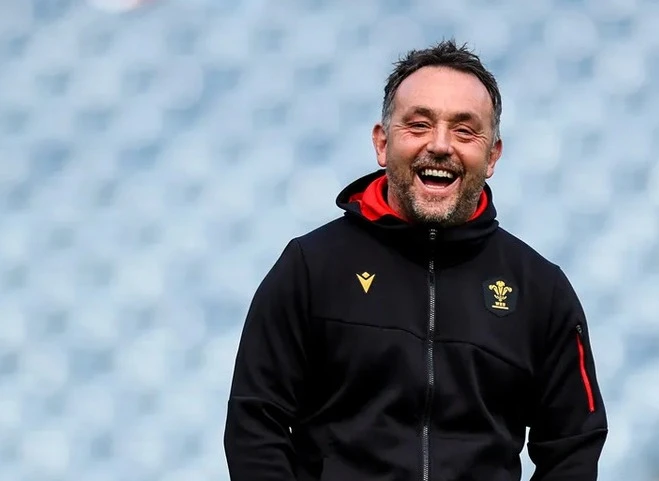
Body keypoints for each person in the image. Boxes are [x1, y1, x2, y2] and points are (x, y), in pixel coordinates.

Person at [223, 39, 608, 481]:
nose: (440, 145)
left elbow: (574, 446)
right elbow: (255, 423)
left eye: (465, 130)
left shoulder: (541, 290)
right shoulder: (310, 268)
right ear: (382, 144)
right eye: (419, 124)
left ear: (493, 155)